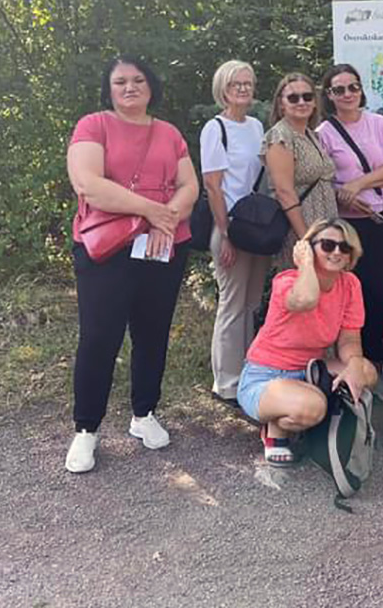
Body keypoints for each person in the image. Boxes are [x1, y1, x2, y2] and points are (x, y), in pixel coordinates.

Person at [64, 56, 199, 474]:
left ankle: (144, 413)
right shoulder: (93, 126)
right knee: (99, 337)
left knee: (152, 333)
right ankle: (87, 428)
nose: (130, 87)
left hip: (163, 245)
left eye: (138, 80)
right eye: (120, 81)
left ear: (151, 86)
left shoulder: (169, 133)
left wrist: (164, 219)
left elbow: (189, 185)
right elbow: (88, 184)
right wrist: (151, 211)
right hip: (107, 249)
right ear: (108, 88)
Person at [237, 219, 377, 465]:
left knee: (367, 372)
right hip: (266, 377)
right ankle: (275, 431)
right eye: (327, 245)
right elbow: (306, 300)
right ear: (309, 248)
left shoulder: (350, 284)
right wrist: (306, 264)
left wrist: (354, 364)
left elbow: (349, 338)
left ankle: (312, 417)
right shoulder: (287, 281)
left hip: (309, 370)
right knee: (314, 406)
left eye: (344, 247)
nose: (336, 252)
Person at [316, 64, 383, 364]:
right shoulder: (324, 133)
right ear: (329, 95)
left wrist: (357, 185)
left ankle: (378, 361)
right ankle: (355, 362)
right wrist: (344, 194)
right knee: (355, 296)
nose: (347, 94)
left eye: (353, 87)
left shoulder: (377, 123)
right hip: (350, 227)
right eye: (339, 89)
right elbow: (322, 181)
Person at [199, 60, 271, 407]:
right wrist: (225, 234)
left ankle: (246, 372)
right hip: (230, 227)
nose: (242, 89)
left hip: (256, 227)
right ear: (223, 89)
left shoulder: (256, 126)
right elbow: (213, 186)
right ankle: (225, 382)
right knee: (232, 303)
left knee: (252, 302)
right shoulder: (215, 128)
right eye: (235, 84)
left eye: (247, 83)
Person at [262, 72, 338, 269]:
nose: (301, 102)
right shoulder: (280, 136)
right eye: (293, 98)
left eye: (307, 96)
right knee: (303, 284)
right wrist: (306, 239)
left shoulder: (311, 135)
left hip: (325, 224)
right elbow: (284, 192)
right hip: (300, 228)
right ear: (281, 104)